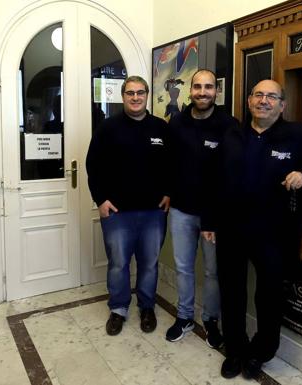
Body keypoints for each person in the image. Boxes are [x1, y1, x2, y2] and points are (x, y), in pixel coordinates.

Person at [202, 79, 302, 379]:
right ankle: (235, 350)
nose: (263, 101)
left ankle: (261, 352)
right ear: (249, 101)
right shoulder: (232, 135)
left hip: (272, 232)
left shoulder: (296, 136)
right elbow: (214, 181)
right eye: (258, 95)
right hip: (230, 229)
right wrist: (209, 222)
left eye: (271, 96)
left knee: (268, 296)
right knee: (232, 292)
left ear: (282, 105)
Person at [86, 75, 170, 336]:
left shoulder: (161, 128)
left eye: (140, 92)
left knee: (149, 263)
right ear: (123, 96)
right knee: (118, 263)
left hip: (153, 213)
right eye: (130, 93)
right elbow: (93, 166)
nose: (135, 97)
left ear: (147, 95)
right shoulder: (107, 128)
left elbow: (173, 164)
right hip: (117, 213)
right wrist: (100, 199)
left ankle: (146, 307)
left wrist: (169, 192)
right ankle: (119, 309)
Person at [165, 69, 238, 348]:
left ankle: (210, 320)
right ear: (190, 90)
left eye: (208, 87)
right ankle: (184, 316)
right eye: (197, 87)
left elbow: (230, 174)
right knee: (183, 267)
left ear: (216, 92)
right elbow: (169, 164)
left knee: (212, 272)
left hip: (215, 216)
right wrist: (169, 193)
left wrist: (214, 216)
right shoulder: (178, 123)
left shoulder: (229, 125)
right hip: (182, 211)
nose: (202, 92)